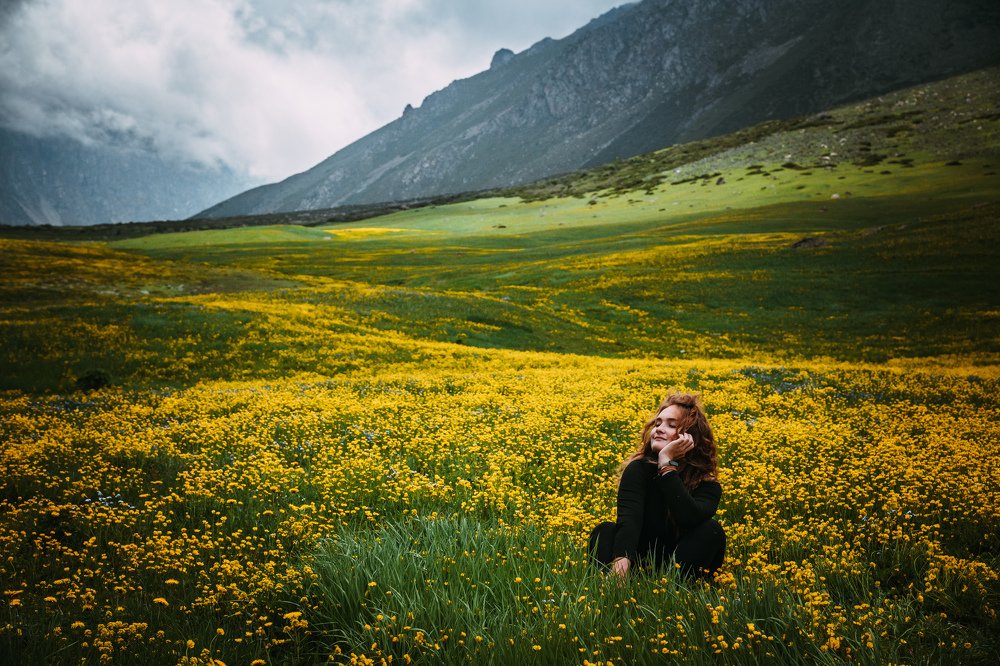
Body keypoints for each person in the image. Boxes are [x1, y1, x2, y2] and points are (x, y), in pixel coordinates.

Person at [589, 392, 725, 579]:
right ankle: (614, 583)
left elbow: (688, 518)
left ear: (689, 437)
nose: (659, 429)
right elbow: (629, 521)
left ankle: (674, 592)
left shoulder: (707, 485)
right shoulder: (638, 469)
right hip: (640, 561)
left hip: (679, 564)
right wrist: (619, 573)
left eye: (671, 425)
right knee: (605, 531)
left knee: (711, 530)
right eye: (658, 423)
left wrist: (667, 466)